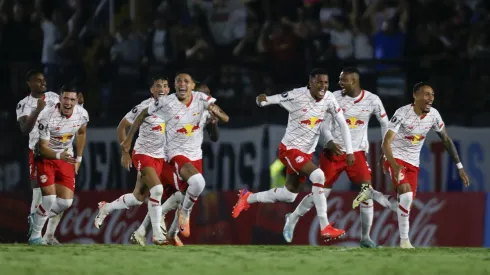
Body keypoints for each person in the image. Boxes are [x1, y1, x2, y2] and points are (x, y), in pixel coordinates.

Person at [232, 68, 354, 240]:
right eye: (319, 82)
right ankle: (325, 226)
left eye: (326, 83)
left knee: (289, 196)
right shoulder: (296, 95)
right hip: (289, 150)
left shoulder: (329, 99)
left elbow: (342, 123)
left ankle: (248, 198)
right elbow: (270, 99)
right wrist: (261, 100)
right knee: (318, 175)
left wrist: (349, 150)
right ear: (310, 83)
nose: (323, 86)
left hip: (306, 153)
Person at [353, 82, 470, 248]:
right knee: (406, 196)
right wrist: (393, 165)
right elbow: (386, 143)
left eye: (432, 95)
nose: (431, 98)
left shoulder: (434, 115)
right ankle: (405, 241)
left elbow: (446, 140)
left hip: (413, 164)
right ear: (415, 96)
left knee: (403, 205)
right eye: (427, 94)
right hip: (395, 158)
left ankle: (372, 194)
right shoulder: (402, 113)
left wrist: (460, 167)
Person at [283, 67, 390, 247]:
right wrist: (330, 140)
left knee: (367, 191)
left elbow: (385, 123)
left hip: (356, 153)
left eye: (343, 80)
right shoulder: (333, 97)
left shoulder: (372, 100)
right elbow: (323, 122)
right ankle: (292, 218)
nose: (339, 83)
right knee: (321, 193)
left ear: (354, 82)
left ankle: (365, 238)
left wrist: (385, 150)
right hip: (334, 152)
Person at [121, 73, 229, 239]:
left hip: (193, 158)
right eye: (205, 94)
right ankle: (156, 231)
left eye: (209, 94)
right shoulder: (168, 103)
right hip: (169, 157)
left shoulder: (204, 109)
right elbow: (138, 117)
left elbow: (215, 136)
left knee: (174, 196)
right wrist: (126, 146)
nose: (208, 97)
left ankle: (165, 233)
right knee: (180, 193)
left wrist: (214, 121)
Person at [93, 76, 171, 245]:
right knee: (157, 190)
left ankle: (106, 208)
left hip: (159, 157)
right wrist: (125, 152)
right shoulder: (144, 107)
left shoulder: (171, 108)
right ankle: (157, 235)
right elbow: (122, 126)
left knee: (138, 197)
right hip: (143, 154)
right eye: (158, 86)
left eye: (165, 86)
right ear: (152, 90)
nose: (162, 89)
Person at [27, 85, 89, 245]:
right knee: (48, 199)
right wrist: (59, 155)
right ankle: (35, 237)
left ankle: (37, 216)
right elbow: (42, 148)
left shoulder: (82, 115)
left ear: (77, 101)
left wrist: (79, 158)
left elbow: (81, 133)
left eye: (72, 99)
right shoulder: (47, 116)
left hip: (65, 157)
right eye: (65, 98)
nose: (68, 103)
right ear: (60, 99)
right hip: (45, 157)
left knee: (66, 202)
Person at [17, 70, 63, 245]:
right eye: (38, 81)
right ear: (29, 83)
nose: (43, 83)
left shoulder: (53, 96)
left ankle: (49, 235)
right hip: (38, 152)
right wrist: (38, 110)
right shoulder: (24, 104)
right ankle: (34, 234)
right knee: (39, 191)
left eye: (44, 80)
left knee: (60, 195)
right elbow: (24, 129)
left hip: (58, 148)